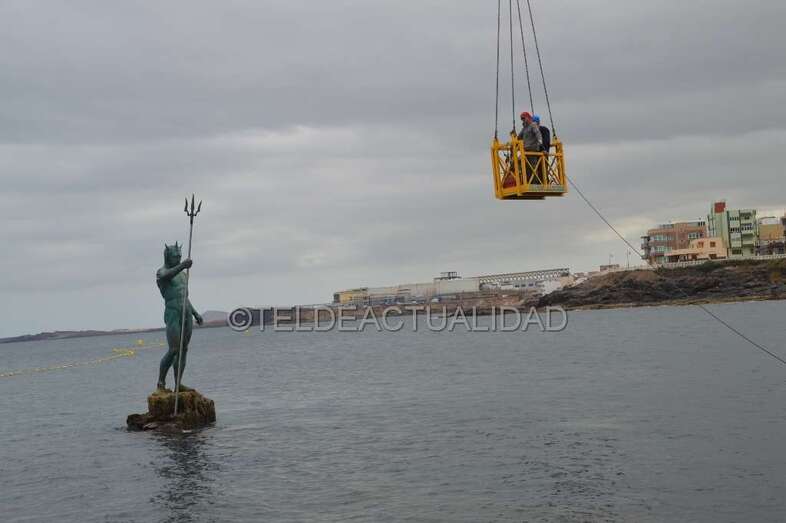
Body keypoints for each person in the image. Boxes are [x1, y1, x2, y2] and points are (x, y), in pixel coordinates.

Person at [156, 242, 203, 390]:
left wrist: (195, 313)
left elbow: (184, 296)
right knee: (174, 349)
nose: (177, 259)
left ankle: (178, 384)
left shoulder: (183, 275)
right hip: (173, 313)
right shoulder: (161, 272)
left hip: (186, 312)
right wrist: (182, 265)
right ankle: (161, 382)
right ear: (167, 257)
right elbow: (166, 276)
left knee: (184, 349)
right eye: (175, 257)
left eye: (179, 257)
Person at [517, 112, 542, 183]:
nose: (523, 120)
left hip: (532, 149)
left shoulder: (533, 125)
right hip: (525, 150)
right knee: (525, 166)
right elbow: (519, 136)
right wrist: (514, 138)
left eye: (524, 118)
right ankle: (527, 181)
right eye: (522, 119)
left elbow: (537, 133)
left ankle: (534, 182)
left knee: (533, 167)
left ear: (528, 117)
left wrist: (540, 140)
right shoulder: (525, 128)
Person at [533, 114, 551, 182]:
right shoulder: (532, 131)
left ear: (538, 122)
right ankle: (537, 181)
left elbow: (546, 141)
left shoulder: (544, 130)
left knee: (543, 169)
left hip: (542, 153)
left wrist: (545, 150)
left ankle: (545, 181)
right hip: (534, 153)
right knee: (535, 169)